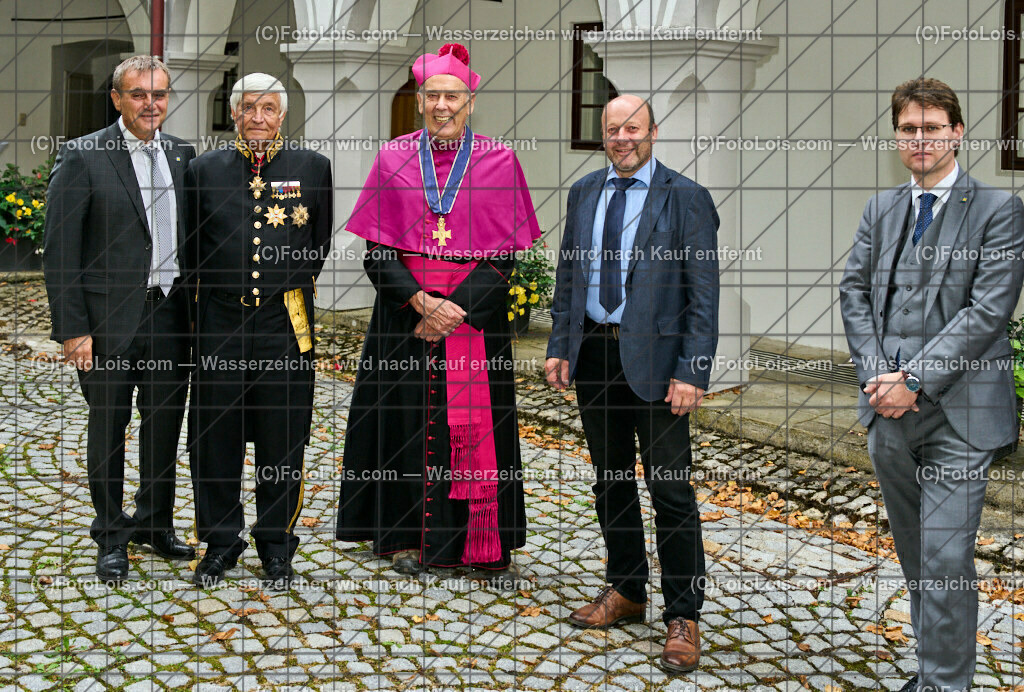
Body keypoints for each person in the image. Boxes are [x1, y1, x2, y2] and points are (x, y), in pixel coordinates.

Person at [840, 77, 1024, 692]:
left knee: (945, 556)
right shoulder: (881, 208)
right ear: (897, 136)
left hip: (962, 414)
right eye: (908, 129)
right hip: (887, 412)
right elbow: (856, 294)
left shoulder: (1000, 211)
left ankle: (946, 685)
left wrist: (914, 378)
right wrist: (877, 377)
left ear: (957, 133)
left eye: (932, 128)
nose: (920, 139)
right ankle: (932, 666)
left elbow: (987, 313)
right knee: (917, 554)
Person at [336, 43, 540, 585]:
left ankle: (481, 539)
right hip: (406, 318)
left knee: (479, 426)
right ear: (419, 100)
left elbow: (504, 257)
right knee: (403, 425)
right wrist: (420, 301)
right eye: (433, 96)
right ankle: (405, 534)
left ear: (469, 102)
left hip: (473, 319)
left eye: (453, 96)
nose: (442, 105)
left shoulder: (500, 161)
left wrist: (455, 309)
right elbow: (376, 252)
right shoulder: (392, 158)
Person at [545, 95, 719, 673]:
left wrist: (692, 371)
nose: (622, 137)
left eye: (633, 128)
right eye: (612, 129)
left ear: (653, 132)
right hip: (594, 353)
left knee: (670, 491)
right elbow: (569, 274)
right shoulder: (584, 193)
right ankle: (627, 588)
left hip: (659, 365)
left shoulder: (686, 197)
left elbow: (703, 296)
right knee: (610, 479)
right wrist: (559, 346)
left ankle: (683, 614)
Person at [43, 55, 196, 582]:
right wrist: (73, 329)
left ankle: (154, 523)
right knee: (108, 427)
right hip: (108, 323)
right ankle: (110, 534)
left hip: (171, 315)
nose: (150, 104)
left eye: (159, 94)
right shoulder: (84, 156)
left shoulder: (181, 155)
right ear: (117, 98)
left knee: (163, 427)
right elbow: (59, 251)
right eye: (138, 94)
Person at [187, 73, 333, 588]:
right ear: (233, 114)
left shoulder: (312, 168)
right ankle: (221, 541)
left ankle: (276, 545)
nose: (257, 117)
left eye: (268, 108)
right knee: (214, 437)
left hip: (283, 322)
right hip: (220, 322)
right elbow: (190, 250)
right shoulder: (202, 170)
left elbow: (318, 242)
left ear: (282, 116)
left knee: (282, 437)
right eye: (248, 107)